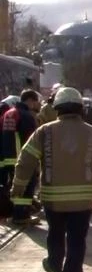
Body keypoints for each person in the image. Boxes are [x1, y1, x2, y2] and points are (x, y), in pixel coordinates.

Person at [10, 87, 92, 272]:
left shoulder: (44, 131)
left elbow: (25, 162)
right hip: (83, 200)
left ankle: (55, 265)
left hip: (52, 198)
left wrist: (18, 189)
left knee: (55, 234)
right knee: (77, 240)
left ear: (57, 108)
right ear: (80, 108)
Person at [2, 90, 41, 225]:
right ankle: (21, 216)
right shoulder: (26, 116)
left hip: (6, 157)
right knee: (27, 184)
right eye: (36, 102)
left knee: (13, 184)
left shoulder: (9, 113)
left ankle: (13, 213)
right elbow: (31, 140)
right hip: (20, 157)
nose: (37, 105)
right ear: (30, 100)